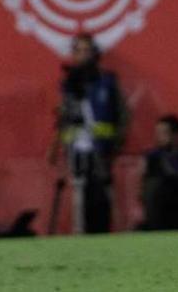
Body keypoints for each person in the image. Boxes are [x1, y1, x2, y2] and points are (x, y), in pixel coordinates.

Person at [48, 33, 127, 234]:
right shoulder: (68, 84)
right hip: (75, 147)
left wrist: (117, 141)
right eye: (78, 50)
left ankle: (106, 234)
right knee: (78, 196)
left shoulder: (107, 81)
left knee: (102, 195)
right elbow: (63, 115)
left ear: (95, 53)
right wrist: (55, 145)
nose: (83, 55)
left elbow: (122, 113)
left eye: (87, 50)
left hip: (101, 148)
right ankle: (80, 235)